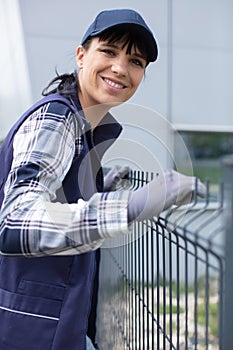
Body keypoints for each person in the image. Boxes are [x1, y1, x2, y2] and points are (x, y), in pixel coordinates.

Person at [0, 8, 206, 350]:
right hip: (27, 332)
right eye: (109, 51)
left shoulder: (86, 127)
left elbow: (49, 193)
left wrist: (98, 185)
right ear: (82, 55)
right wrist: (127, 206)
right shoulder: (58, 117)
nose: (121, 68)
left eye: (136, 61)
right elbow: (14, 222)